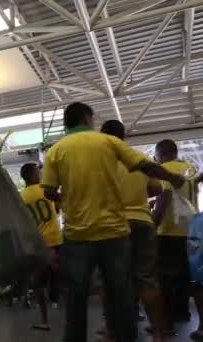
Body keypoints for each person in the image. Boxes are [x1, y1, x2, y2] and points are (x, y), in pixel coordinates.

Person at [42, 102, 185, 342]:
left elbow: (48, 191)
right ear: (87, 118)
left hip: (77, 235)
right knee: (121, 294)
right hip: (114, 234)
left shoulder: (56, 150)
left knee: (77, 296)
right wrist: (172, 177)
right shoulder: (108, 142)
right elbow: (146, 166)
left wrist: (66, 198)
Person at [100, 120, 167, 342]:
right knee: (147, 280)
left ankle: (111, 334)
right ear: (124, 136)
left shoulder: (100, 162)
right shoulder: (140, 159)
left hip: (113, 226)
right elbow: (157, 189)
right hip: (142, 222)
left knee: (112, 283)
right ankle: (158, 334)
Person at [152, 139, 201, 337]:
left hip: (169, 231)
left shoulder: (162, 170)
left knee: (164, 279)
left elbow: (164, 200)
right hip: (192, 231)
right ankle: (188, 317)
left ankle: (167, 324)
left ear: (159, 153)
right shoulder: (189, 168)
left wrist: (152, 227)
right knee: (190, 277)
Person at [19, 163, 62, 332]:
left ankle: (45, 321)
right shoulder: (46, 190)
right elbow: (57, 209)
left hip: (37, 244)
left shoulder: (21, 197)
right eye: (39, 172)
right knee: (66, 279)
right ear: (34, 175)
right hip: (54, 240)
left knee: (38, 284)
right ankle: (71, 318)